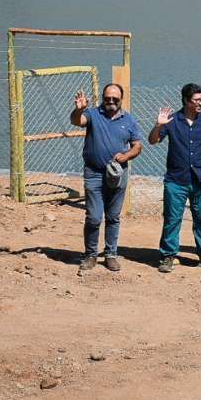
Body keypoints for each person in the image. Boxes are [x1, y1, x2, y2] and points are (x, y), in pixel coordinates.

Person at [148, 83, 201, 273]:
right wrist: (158, 125)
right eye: (197, 100)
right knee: (172, 219)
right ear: (186, 101)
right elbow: (153, 140)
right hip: (176, 180)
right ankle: (167, 256)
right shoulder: (171, 121)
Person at [69, 83, 142, 275]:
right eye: (107, 98)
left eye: (115, 99)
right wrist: (78, 110)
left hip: (117, 174)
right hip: (94, 173)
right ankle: (90, 254)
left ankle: (110, 254)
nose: (110, 102)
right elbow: (77, 121)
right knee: (93, 217)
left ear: (121, 99)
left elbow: (137, 146)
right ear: (103, 98)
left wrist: (126, 156)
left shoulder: (129, 120)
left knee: (113, 217)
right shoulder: (93, 114)